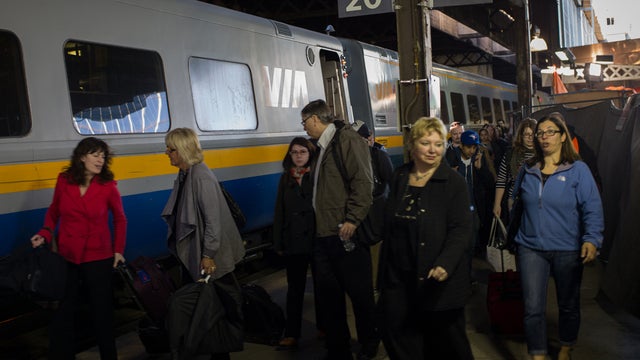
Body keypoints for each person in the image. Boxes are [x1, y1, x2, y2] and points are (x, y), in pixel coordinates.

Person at [377, 117, 474, 360]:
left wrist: (445, 263)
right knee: (395, 333)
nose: (433, 149)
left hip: (437, 280)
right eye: (425, 143)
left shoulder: (454, 184)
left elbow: (461, 229)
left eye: (438, 144)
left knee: (448, 345)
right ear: (412, 145)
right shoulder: (399, 177)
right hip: (399, 277)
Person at [514, 113, 603, 360]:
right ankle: (538, 353)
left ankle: (566, 345)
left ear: (563, 136)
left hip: (567, 248)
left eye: (550, 132)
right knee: (532, 308)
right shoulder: (528, 169)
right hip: (530, 247)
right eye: (541, 133)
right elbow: (518, 201)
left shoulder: (578, 170)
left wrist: (591, 238)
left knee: (568, 304)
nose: (544, 137)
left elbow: (592, 207)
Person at [30, 137, 127, 360]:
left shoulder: (108, 186)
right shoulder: (64, 180)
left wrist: (118, 250)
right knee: (63, 313)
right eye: (95, 155)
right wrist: (44, 233)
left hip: (98, 257)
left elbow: (120, 220)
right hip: (68, 256)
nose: (100, 160)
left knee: (101, 314)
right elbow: (54, 212)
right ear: (82, 157)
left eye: (103, 156)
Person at [301, 99, 379, 360]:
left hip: (346, 234)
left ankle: (369, 345)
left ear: (314, 119)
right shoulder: (322, 147)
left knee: (360, 296)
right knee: (330, 299)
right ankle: (338, 349)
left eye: (304, 123)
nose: (304, 128)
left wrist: (353, 219)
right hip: (324, 234)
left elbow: (363, 182)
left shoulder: (346, 139)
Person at [161, 128, 245, 360]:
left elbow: (213, 222)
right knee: (208, 309)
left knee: (214, 311)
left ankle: (218, 353)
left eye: (171, 149)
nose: (167, 153)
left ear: (184, 150)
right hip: (198, 257)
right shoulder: (186, 175)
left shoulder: (201, 177)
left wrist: (208, 255)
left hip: (209, 259)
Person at [272, 137, 318, 350]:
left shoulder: (317, 177)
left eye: (302, 152)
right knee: (295, 290)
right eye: (294, 152)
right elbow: (279, 210)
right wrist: (278, 242)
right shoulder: (285, 179)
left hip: (317, 240)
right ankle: (292, 333)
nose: (298, 156)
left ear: (310, 155)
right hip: (294, 242)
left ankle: (326, 326)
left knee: (323, 288)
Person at [458, 130, 496, 255]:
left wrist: (480, 169)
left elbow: (490, 183)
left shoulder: (479, 159)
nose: (472, 150)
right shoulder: (454, 162)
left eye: (474, 147)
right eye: (469, 147)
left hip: (476, 208)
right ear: (461, 146)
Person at [492, 118, 537, 220]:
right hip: (515, 201)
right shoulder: (511, 154)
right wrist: (497, 204)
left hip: (537, 202)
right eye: (526, 134)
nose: (530, 138)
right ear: (521, 136)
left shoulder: (543, 154)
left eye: (533, 134)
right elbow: (501, 180)